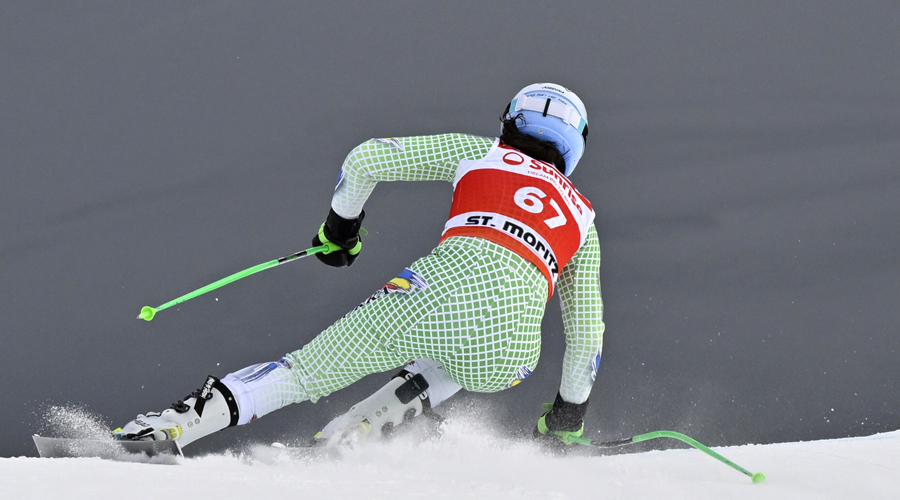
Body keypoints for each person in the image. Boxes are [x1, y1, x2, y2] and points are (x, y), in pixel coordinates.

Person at [116, 83, 605, 449]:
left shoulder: (483, 153)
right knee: (457, 356)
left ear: (511, 121)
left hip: (429, 296)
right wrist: (566, 418)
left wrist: (339, 232)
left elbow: (366, 159)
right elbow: (587, 334)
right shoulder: (583, 219)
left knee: (303, 373)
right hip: (510, 356)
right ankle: (355, 434)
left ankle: (169, 429)